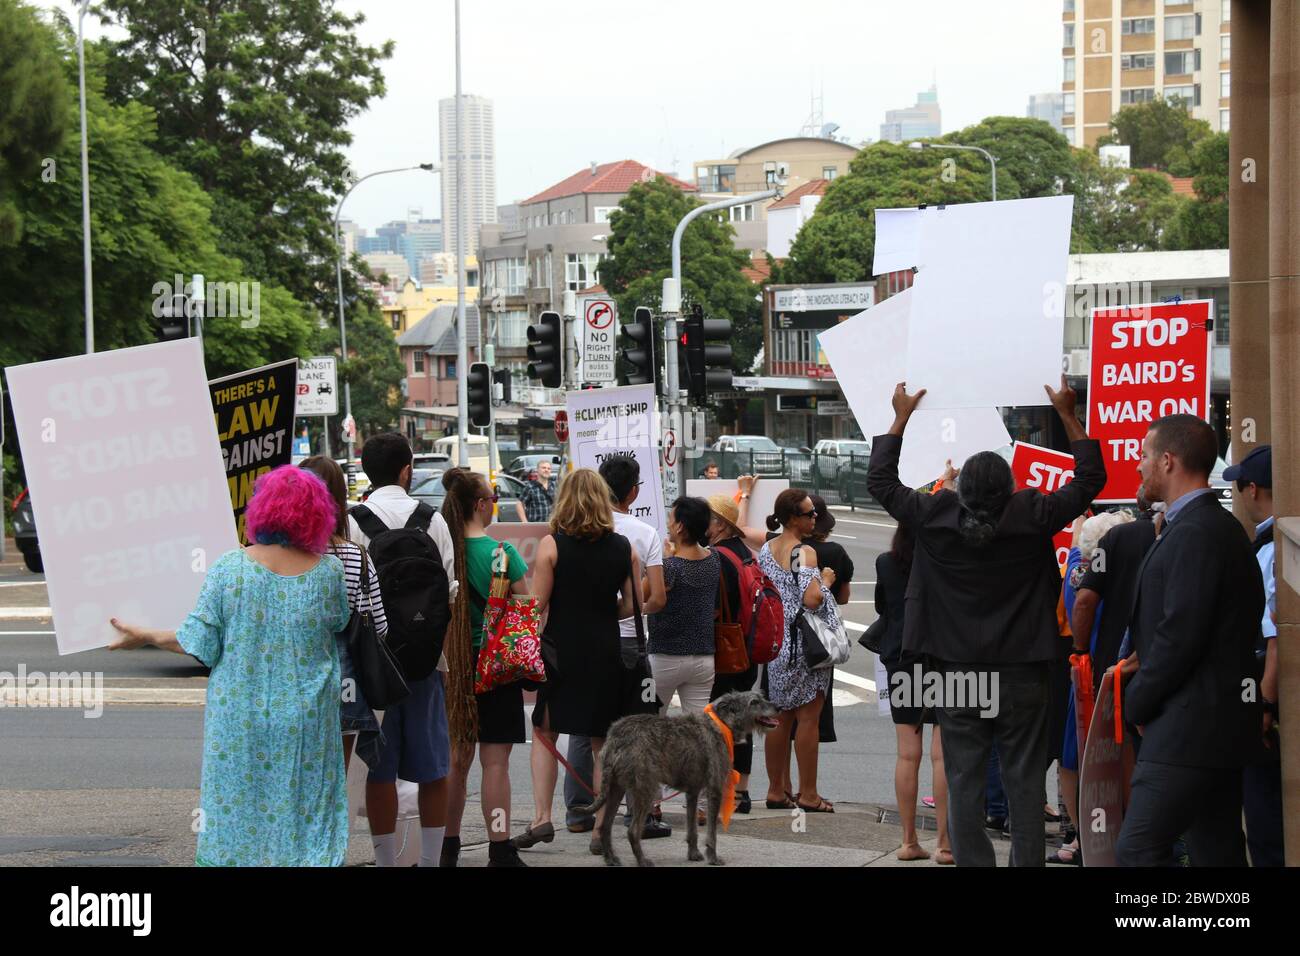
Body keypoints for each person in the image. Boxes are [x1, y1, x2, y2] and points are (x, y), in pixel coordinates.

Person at [867, 378, 1104, 867]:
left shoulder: (935, 515)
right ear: (1010, 486)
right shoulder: (1031, 513)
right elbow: (1089, 481)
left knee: (964, 781)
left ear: (962, 489)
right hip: (1023, 669)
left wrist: (901, 417)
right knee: (1023, 782)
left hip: (957, 673)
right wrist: (1066, 413)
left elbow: (881, 482)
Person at [108, 466, 352, 865]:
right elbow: (339, 621)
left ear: (262, 509)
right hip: (307, 720)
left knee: (237, 810)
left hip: (239, 719)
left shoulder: (228, 570)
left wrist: (145, 634)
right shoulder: (329, 573)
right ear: (316, 513)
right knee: (306, 810)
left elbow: (195, 641)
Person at [1113, 416, 1265, 867]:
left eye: (1143, 455)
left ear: (1168, 460)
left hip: (1188, 729)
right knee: (1215, 851)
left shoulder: (1199, 530)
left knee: (1137, 849)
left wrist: (1136, 703)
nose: (1138, 466)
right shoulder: (1202, 527)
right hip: (1209, 726)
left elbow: (1181, 636)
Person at [347, 432, 458, 868]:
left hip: (374, 666)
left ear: (366, 471)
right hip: (425, 662)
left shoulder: (353, 520)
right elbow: (448, 595)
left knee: (380, 770)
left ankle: (385, 862)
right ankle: (430, 861)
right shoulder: (432, 520)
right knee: (433, 767)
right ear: (406, 470)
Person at [515, 468, 640, 854]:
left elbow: (537, 606)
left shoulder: (553, 546)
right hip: (605, 649)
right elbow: (633, 605)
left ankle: (541, 818)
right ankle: (600, 827)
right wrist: (603, 611)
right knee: (603, 741)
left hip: (561, 651)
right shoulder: (624, 548)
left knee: (545, 733)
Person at [564, 456, 668, 838]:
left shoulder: (574, 531)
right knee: (634, 730)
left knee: (583, 729)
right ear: (634, 491)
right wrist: (628, 607)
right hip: (632, 644)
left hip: (586, 641)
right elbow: (656, 598)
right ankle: (634, 813)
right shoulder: (643, 534)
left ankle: (578, 811)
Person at [439, 468, 530, 867]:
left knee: (456, 761)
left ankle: (446, 847)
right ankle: (499, 847)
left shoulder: (443, 551)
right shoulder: (501, 555)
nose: (494, 505)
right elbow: (525, 614)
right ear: (480, 505)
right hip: (494, 668)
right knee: (495, 764)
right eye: (492, 499)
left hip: (455, 667)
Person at [299, 455, 387, 774]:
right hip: (343, 688)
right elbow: (378, 625)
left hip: (291, 687)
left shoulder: (280, 557)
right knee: (335, 782)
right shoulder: (353, 556)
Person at [1054, 510, 1133, 864]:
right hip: (1111, 675)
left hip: (1080, 677)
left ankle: (1081, 833)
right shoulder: (1115, 582)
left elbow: (1075, 544)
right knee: (1116, 757)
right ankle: (1119, 830)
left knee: (1074, 758)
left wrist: (1079, 521)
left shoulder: (1075, 572)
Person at [759, 488, 840, 814]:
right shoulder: (804, 552)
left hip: (778, 643)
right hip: (806, 646)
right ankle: (808, 794)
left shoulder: (768, 549)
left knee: (779, 717)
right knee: (809, 719)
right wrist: (825, 581)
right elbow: (811, 600)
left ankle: (776, 789)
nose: (815, 518)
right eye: (809, 514)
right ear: (793, 518)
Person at [876, 522, 952, 864]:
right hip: (944, 659)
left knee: (908, 755)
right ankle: (945, 845)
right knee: (943, 756)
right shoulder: (946, 560)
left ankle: (908, 841)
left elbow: (883, 608)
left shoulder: (885, 562)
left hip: (903, 660)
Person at [1224, 444, 1283, 866]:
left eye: (1241, 486)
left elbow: (1276, 634)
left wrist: (1263, 703)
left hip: (1271, 702)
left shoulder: (1271, 550)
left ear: (1254, 489)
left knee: (1265, 825)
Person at [1070, 490, 1158, 694]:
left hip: (1113, 658)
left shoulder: (1114, 538)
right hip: (1165, 656)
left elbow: (1084, 599)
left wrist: (1080, 652)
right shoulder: (1185, 532)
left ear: (1139, 502)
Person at [705, 493, 761, 814]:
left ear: (721, 524)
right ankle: (742, 792)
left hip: (724, 647)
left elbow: (713, 607)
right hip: (749, 646)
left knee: (717, 720)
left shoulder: (716, 558)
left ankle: (721, 789)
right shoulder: (747, 554)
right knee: (741, 717)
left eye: (708, 519)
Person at [648, 496, 720, 715]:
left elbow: (641, 595)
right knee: (698, 731)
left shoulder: (668, 567)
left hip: (664, 657)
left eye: (671, 518)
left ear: (680, 526)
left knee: (649, 723)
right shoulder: (714, 558)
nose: (668, 524)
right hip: (703, 657)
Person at [520, 458, 556, 522]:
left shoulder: (555, 486)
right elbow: (519, 504)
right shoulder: (530, 486)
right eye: (543, 468)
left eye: (548, 468)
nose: (546, 470)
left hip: (552, 525)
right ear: (537, 470)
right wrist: (524, 522)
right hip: (535, 525)